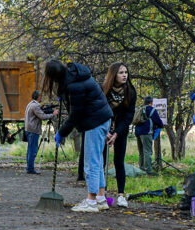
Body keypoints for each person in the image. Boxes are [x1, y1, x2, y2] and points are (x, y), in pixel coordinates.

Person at [46, 60, 113, 213]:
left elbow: (76, 114)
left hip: (94, 122)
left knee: (91, 163)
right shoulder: (75, 75)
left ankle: (91, 201)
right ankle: (101, 199)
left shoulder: (74, 85)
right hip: (101, 119)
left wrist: (61, 132)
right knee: (98, 159)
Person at [102, 62, 136, 207]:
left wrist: (116, 133)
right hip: (103, 129)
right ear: (113, 74)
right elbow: (99, 110)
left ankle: (121, 195)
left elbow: (129, 116)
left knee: (119, 161)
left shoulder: (130, 91)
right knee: (101, 162)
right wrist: (106, 132)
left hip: (121, 129)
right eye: (121, 72)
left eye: (126, 72)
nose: (124, 75)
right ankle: (100, 193)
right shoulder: (104, 90)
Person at [24, 90, 58, 174]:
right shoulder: (35, 106)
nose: (41, 98)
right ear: (38, 97)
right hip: (33, 130)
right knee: (33, 150)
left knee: (30, 149)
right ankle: (30, 169)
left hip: (29, 129)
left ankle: (29, 167)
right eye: (41, 96)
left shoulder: (30, 104)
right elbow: (42, 116)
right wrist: (53, 114)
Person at [135, 95, 164, 175]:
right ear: (151, 102)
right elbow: (158, 121)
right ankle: (148, 171)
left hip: (138, 132)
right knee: (147, 151)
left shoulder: (140, 109)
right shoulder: (151, 109)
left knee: (141, 152)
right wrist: (161, 125)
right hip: (146, 132)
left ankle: (141, 169)